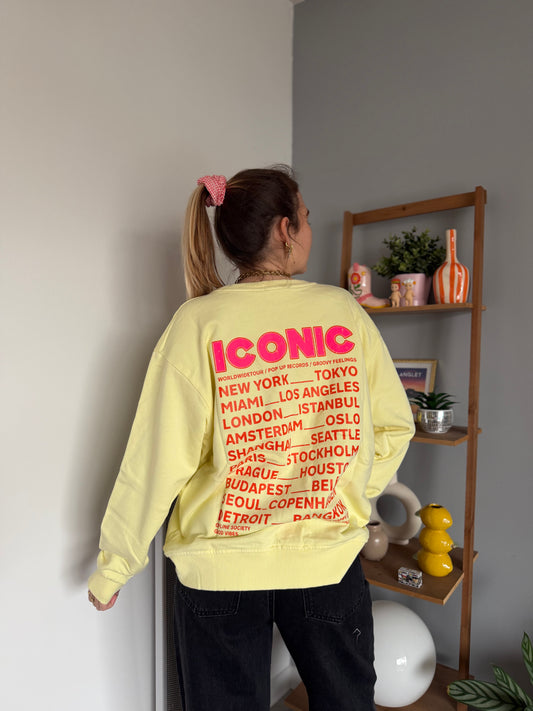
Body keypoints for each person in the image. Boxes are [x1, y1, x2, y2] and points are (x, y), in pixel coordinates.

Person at [88, 166, 415, 710]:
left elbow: (156, 458)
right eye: (305, 216)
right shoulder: (342, 312)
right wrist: (345, 490)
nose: (309, 228)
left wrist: (115, 565)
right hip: (326, 561)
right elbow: (393, 427)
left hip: (219, 571)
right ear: (285, 229)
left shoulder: (197, 323)